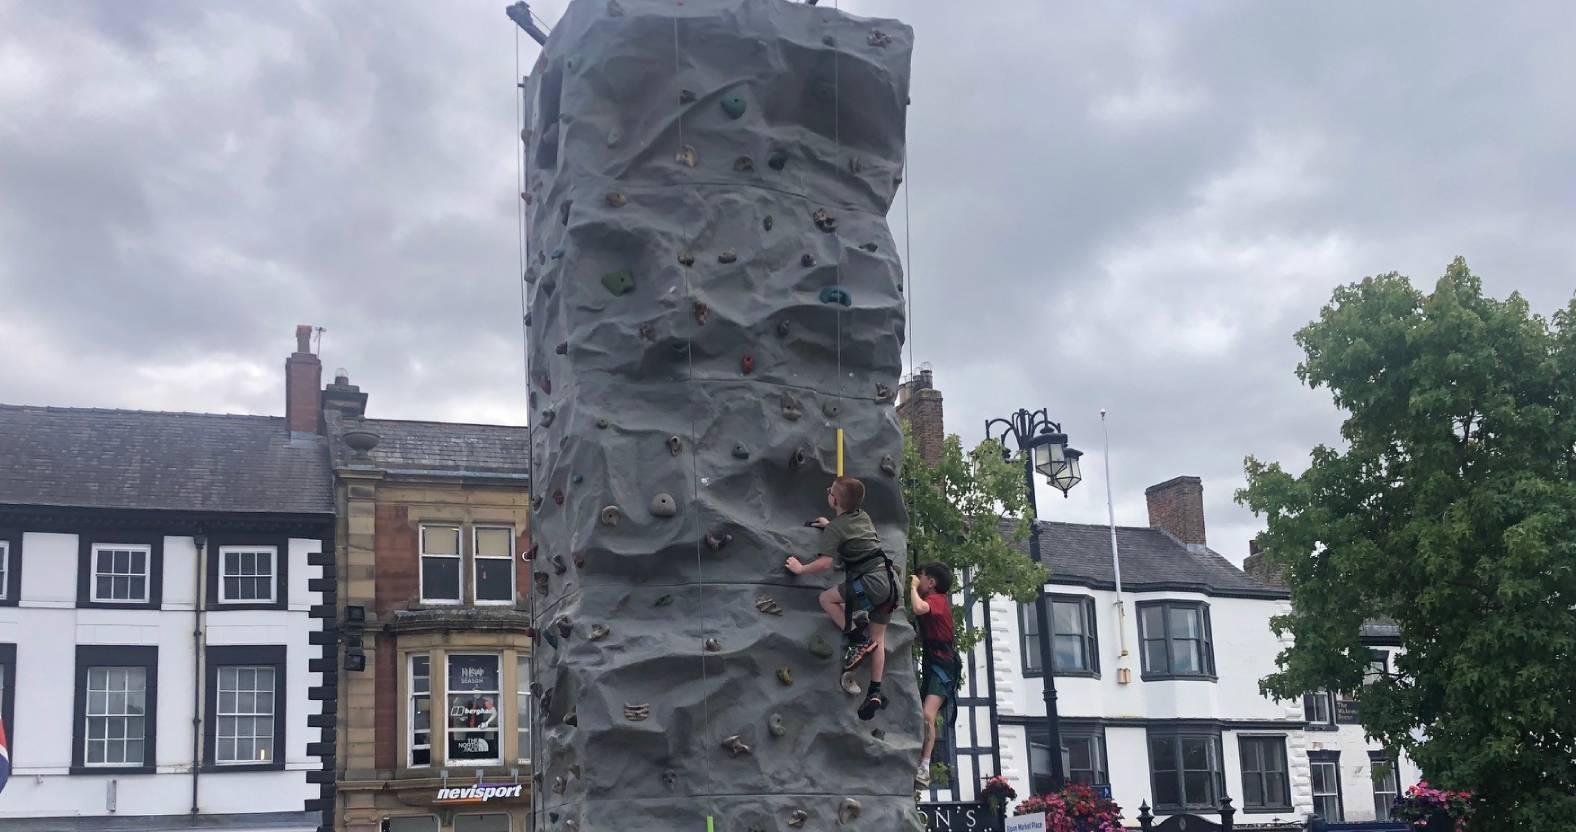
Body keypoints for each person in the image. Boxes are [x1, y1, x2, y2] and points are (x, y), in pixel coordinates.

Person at [785, 476, 900, 721]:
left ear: (833, 499)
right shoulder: (863, 517)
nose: (828, 492)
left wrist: (801, 568)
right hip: (891, 581)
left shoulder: (837, 528)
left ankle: (857, 639)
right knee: (878, 638)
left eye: (830, 490)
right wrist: (831, 525)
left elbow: (826, 562)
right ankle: (874, 692)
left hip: (871, 583)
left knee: (827, 599)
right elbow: (851, 533)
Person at [910, 562, 959, 787]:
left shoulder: (936, 600)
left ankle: (925, 766)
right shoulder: (932, 601)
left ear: (931, 582)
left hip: (943, 665)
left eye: (921, 576)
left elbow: (919, 608)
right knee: (921, 714)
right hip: (933, 662)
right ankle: (920, 761)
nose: (917, 579)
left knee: (927, 714)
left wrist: (911, 587)